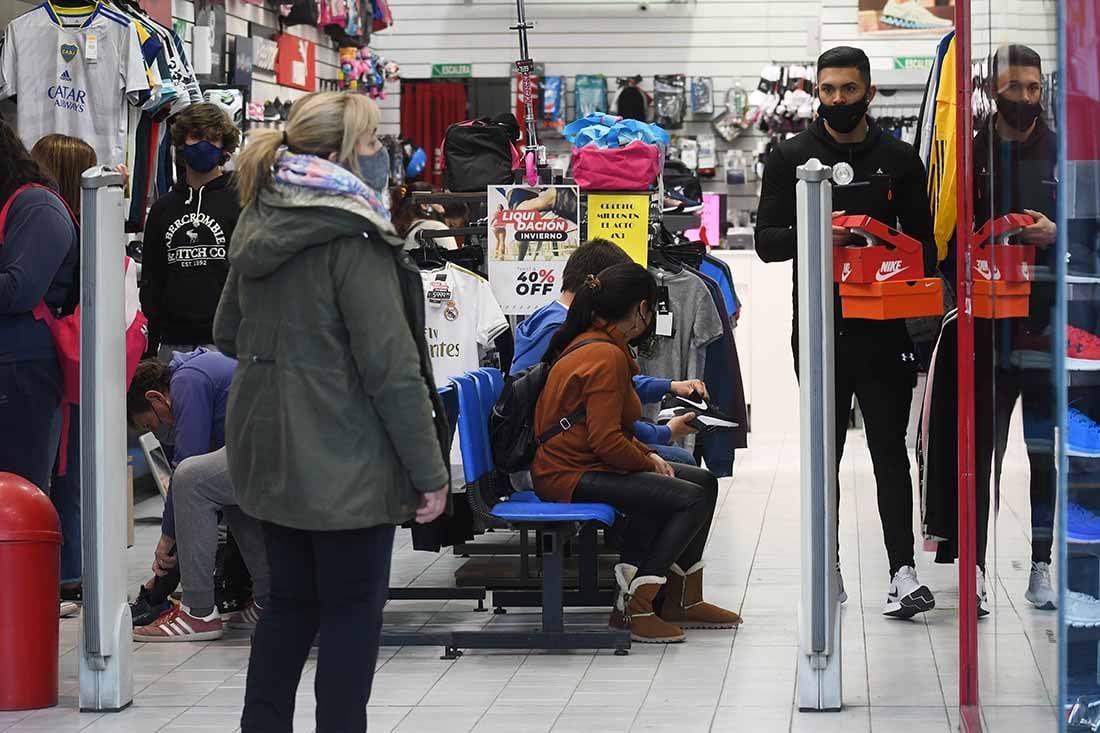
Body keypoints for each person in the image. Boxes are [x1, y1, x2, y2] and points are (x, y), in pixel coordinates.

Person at [214, 91, 450, 732]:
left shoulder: (259, 219)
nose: (381, 153)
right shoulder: (354, 236)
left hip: (271, 451)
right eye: (372, 141)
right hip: (347, 460)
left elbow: (228, 332)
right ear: (343, 154)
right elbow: (392, 372)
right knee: (351, 616)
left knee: (287, 606)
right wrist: (430, 471)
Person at [755, 46, 938, 618]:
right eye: (828, 90)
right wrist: (818, 231)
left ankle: (902, 572)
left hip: (884, 330)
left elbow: (927, 247)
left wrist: (887, 248)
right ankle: (825, 565)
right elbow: (766, 243)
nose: (837, 99)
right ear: (817, 92)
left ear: (869, 93)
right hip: (818, 327)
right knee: (823, 454)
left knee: (890, 452)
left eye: (848, 89)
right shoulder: (789, 156)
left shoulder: (900, 159)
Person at [531, 262, 742, 643]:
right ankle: (636, 605)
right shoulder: (604, 356)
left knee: (703, 482)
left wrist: (646, 454)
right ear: (642, 309)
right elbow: (606, 441)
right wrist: (647, 458)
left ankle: (681, 599)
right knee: (689, 496)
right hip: (568, 474)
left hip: (581, 463)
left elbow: (605, 433)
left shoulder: (600, 345)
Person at [971, 44, 1058, 613]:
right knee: (983, 453)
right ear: (992, 88)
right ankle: (976, 566)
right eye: (1013, 87)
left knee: (1043, 451)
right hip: (987, 324)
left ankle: (1041, 566)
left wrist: (1058, 233)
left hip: (1045, 324)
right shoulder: (973, 152)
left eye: (1033, 88)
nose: (1024, 98)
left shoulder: (1062, 151)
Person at [511, 238, 704, 466]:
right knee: (683, 462)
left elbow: (607, 387)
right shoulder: (568, 332)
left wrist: (669, 386)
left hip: (549, 444)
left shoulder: (547, 318)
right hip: (549, 454)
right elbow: (599, 417)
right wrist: (663, 433)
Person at [126, 350, 270, 641]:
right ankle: (271, 599)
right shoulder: (198, 373)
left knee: (193, 479)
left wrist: (166, 540)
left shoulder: (187, 381)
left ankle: (198, 611)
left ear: (156, 398)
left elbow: (185, 468)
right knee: (222, 489)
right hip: (281, 440)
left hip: (279, 443)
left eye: (150, 425)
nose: (158, 431)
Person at [29, 133, 97, 606]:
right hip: (76, 359)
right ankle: (70, 569)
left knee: (58, 469)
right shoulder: (83, 226)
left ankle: (64, 571)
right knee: (69, 470)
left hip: (53, 357)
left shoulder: (48, 221)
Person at [0, 119, 78, 497]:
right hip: (14, 364)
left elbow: (20, 289)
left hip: (21, 369)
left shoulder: (37, 206)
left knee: (20, 495)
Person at [140, 102, 241, 361]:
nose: (203, 145)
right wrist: (152, 344)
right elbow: (152, 279)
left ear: (224, 147)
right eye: (196, 136)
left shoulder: (241, 201)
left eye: (213, 139)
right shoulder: (163, 208)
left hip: (228, 341)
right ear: (182, 142)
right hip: (172, 342)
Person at [393, 182, 458, 251]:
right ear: (424, 205)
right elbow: (453, 256)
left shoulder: (400, 228)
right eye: (438, 203)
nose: (442, 210)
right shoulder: (437, 227)